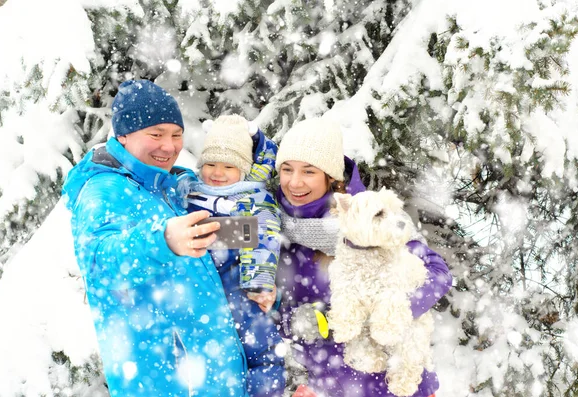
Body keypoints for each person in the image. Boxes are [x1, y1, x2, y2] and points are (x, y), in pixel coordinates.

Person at [62, 80, 248, 397]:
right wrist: (162, 241)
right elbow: (99, 260)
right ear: (122, 135)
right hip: (162, 381)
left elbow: (213, 233)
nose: (169, 146)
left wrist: (256, 230)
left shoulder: (168, 184)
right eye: (156, 134)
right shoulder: (103, 190)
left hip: (214, 374)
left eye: (176, 135)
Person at [273, 117, 453, 397]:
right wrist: (297, 323)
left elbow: (438, 273)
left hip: (398, 385)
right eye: (287, 169)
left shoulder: (375, 216)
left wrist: (390, 312)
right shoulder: (270, 222)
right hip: (326, 385)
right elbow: (262, 301)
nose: (295, 182)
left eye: (308, 171)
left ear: (331, 176)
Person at [186, 114, 286, 396]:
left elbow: (265, 236)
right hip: (199, 296)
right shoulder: (189, 191)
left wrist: (259, 283)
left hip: (242, 295)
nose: (217, 173)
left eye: (228, 166)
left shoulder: (253, 198)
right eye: (211, 165)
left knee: (261, 354)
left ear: (242, 170)